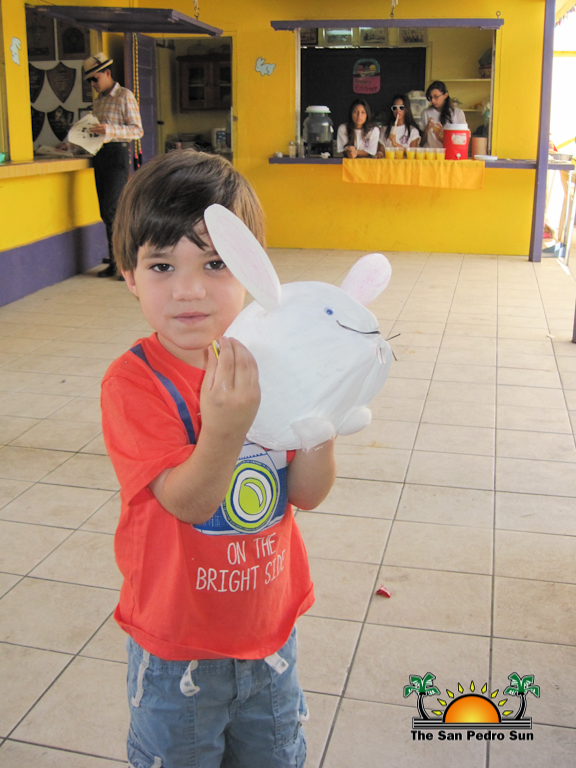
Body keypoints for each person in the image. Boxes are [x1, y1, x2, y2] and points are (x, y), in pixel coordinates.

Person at [101, 150, 337, 767]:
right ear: (129, 275)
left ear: (253, 272)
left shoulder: (268, 363)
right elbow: (189, 501)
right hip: (177, 648)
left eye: (215, 263)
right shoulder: (133, 384)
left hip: (269, 631)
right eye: (161, 265)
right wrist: (227, 430)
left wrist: (321, 423)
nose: (189, 289)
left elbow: (306, 493)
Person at [83, 52, 143, 278]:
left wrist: (110, 130)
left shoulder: (124, 96)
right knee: (106, 212)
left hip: (117, 153)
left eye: (95, 79)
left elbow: (137, 130)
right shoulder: (99, 102)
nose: (93, 84)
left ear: (107, 73)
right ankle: (116, 262)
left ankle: (125, 264)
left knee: (113, 210)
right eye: (89, 81)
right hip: (100, 154)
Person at [420, 81, 467, 148]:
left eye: (436, 97)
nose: (433, 101)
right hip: (432, 152)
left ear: (445, 95)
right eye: (431, 98)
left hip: (451, 151)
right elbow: (420, 143)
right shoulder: (426, 113)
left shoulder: (457, 113)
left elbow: (463, 139)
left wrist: (442, 134)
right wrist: (427, 128)